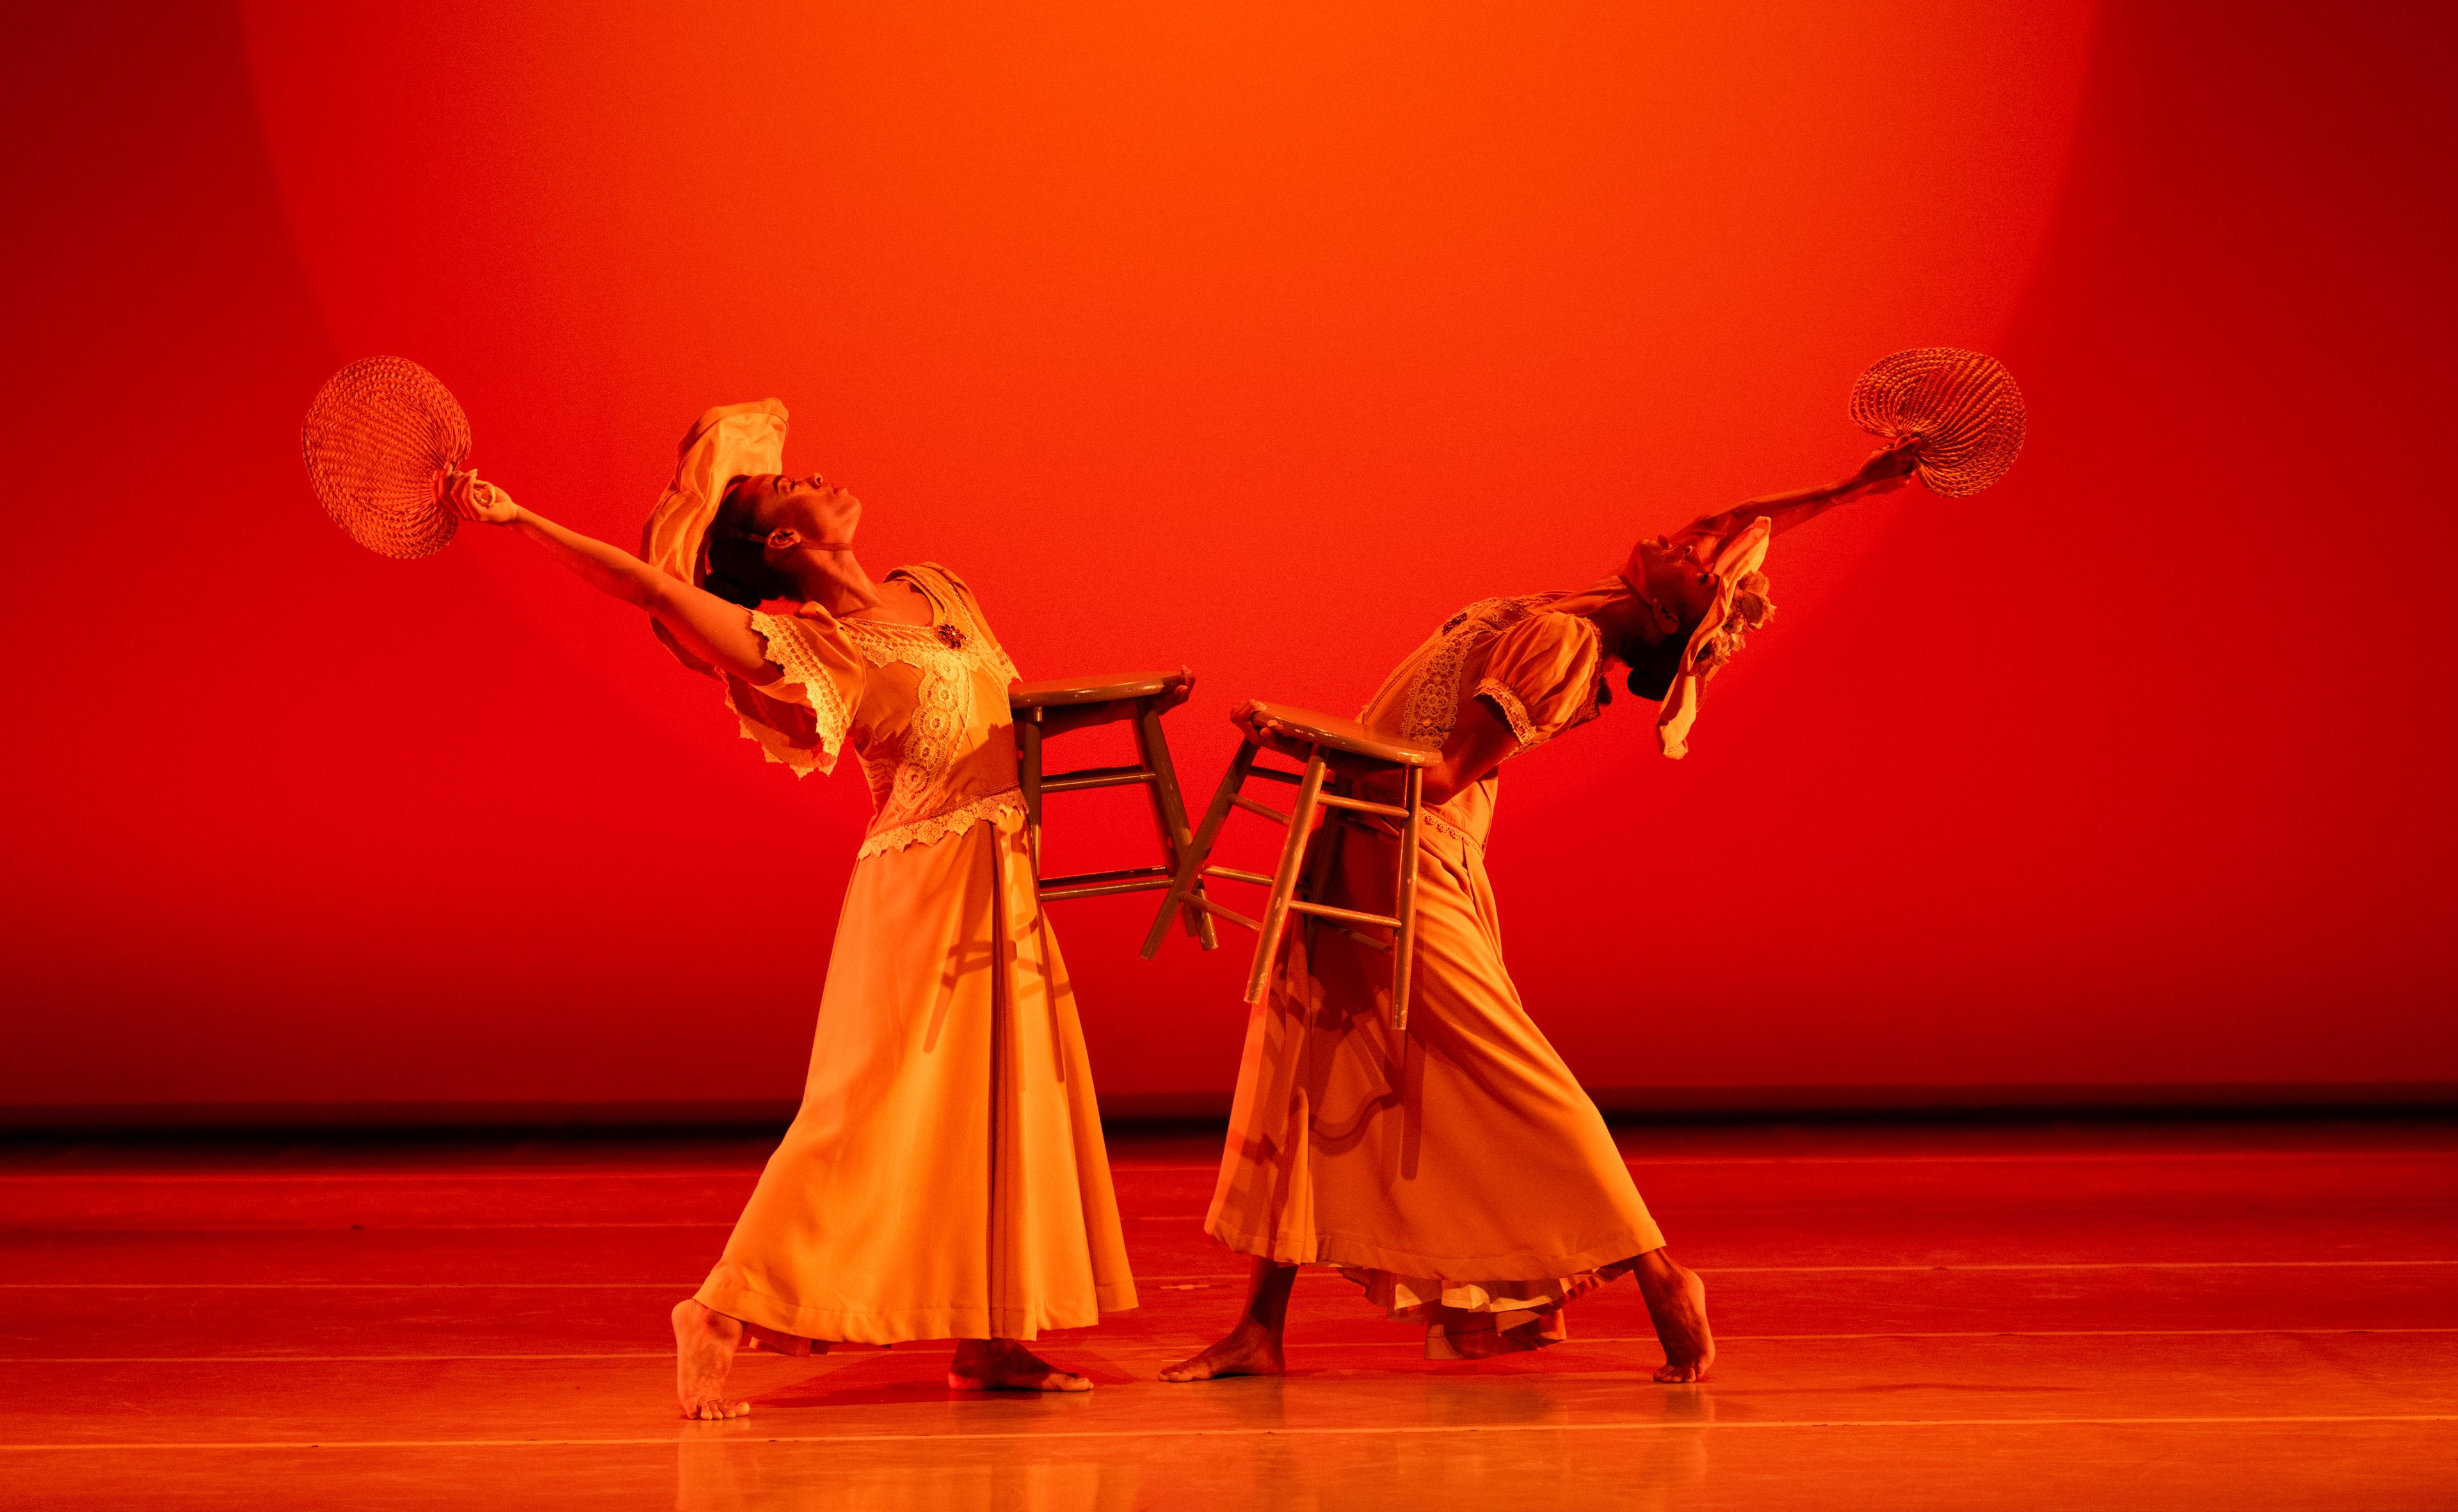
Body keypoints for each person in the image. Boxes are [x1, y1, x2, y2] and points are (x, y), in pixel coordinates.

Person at [442, 399, 1157, 1416]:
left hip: (1005, 877)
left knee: (1003, 1109)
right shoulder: (817, 653)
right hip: (922, 891)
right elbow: (650, 586)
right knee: (868, 1117)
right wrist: (518, 520)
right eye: (794, 484)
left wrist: (1128, 707)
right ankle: (721, 1310)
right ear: (785, 541)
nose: (818, 475)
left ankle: (993, 1339)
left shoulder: (938, 587)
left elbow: (1011, 718)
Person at [1160, 442, 1922, 1384]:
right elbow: (1726, 523)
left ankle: (1659, 1272)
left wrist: (1304, 742)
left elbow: (1439, 778)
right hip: (1353, 834)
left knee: (1506, 1071)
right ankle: (1259, 1329)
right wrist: (1851, 488)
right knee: (1304, 1061)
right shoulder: (1582, 604)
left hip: (1408, 856)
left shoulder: (1564, 648)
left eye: (1691, 565)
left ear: (1663, 611)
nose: (1689, 540)